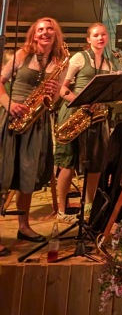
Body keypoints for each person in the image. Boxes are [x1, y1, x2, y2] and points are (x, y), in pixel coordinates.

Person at [0, 17, 65, 247]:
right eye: (40, 29)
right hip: (12, 117)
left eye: (50, 29)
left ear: (55, 34)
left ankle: (24, 226)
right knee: (2, 172)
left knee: (27, 175)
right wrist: (8, 103)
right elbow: (0, 81)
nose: (45, 32)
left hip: (37, 123)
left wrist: (55, 91)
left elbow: (54, 102)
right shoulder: (22, 54)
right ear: (34, 35)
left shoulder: (59, 62)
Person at [54, 23, 122, 221]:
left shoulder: (108, 63)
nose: (100, 38)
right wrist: (81, 101)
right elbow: (62, 89)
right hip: (74, 113)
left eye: (103, 34)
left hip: (95, 117)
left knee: (95, 163)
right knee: (68, 162)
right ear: (88, 39)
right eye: (96, 35)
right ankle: (61, 211)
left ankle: (89, 208)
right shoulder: (79, 57)